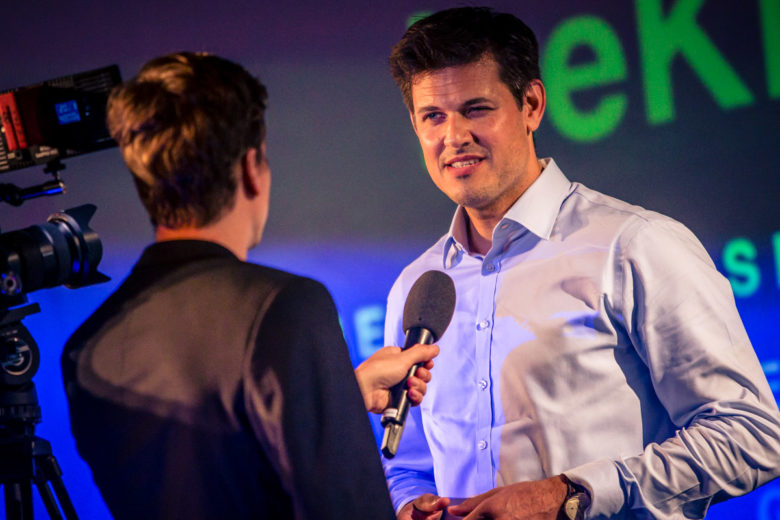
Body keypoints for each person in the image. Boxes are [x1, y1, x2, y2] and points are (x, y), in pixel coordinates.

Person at [381, 7, 780, 520]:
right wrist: (409, 503)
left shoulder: (636, 245)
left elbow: (753, 431)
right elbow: (408, 463)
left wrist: (575, 493)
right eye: (433, 116)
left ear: (531, 104)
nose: (453, 136)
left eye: (476, 109)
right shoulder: (417, 287)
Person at [61, 52, 438, 520]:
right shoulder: (286, 306)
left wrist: (340, 396)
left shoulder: (85, 347)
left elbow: (208, 460)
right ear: (249, 169)